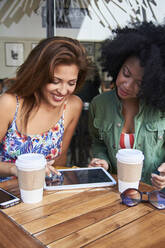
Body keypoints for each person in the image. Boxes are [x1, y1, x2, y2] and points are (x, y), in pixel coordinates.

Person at [88, 21, 165, 189]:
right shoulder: (99, 104)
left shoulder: (161, 111)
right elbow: (98, 142)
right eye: (126, 73)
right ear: (118, 64)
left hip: (155, 195)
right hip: (115, 192)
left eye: (140, 83)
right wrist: (102, 161)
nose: (127, 85)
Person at [0, 36, 89, 181]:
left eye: (71, 83)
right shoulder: (9, 104)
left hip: (45, 193)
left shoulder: (73, 105)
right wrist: (14, 168)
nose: (63, 90)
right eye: (55, 81)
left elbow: (60, 161)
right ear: (37, 75)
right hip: (7, 195)